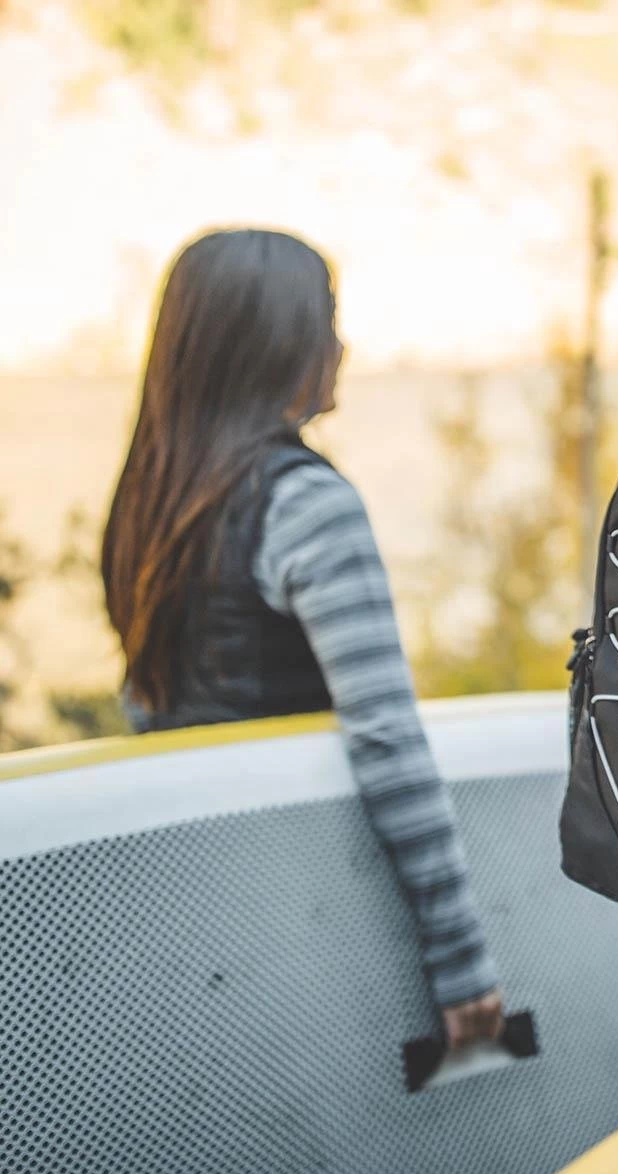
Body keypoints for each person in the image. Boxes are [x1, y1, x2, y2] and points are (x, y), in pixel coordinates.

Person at [102, 229, 503, 1050]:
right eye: (327, 319)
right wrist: (463, 968)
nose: (343, 345)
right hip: (307, 883)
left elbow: (147, 697)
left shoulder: (149, 494)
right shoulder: (310, 505)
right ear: (277, 342)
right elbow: (388, 740)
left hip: (191, 887)